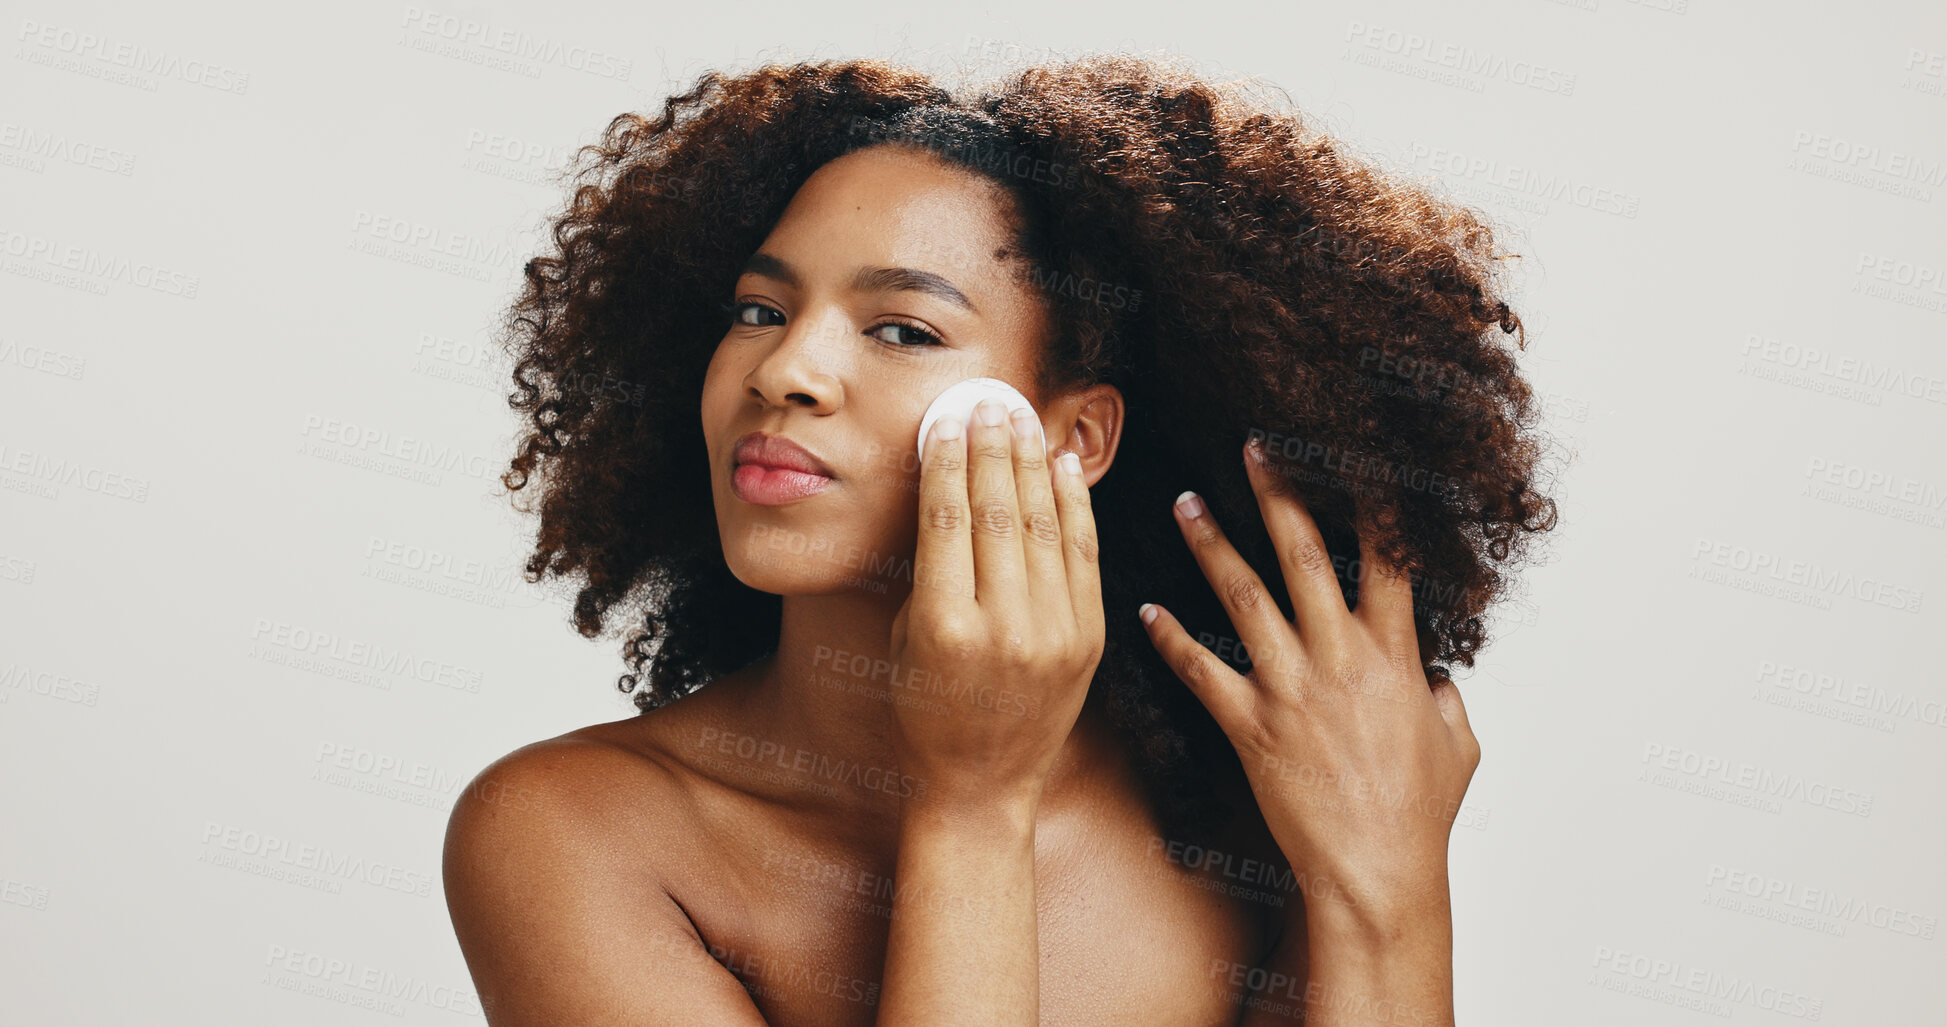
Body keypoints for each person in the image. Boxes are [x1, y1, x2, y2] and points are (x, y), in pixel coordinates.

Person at [442, 52, 1557, 1025]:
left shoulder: (1242, 815)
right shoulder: (567, 835)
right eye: (758, 310)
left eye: (901, 329)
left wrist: (1388, 880)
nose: (785, 371)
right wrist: (972, 804)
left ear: (1076, 436)